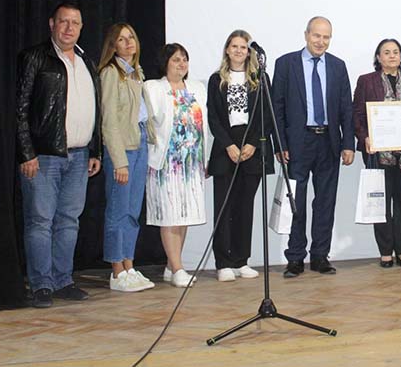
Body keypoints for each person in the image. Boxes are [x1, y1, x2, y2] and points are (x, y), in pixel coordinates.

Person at [16, 2, 102, 308]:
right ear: (52, 24)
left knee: (69, 221)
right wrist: (27, 152)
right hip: (44, 156)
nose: (69, 28)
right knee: (40, 221)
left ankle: (63, 280)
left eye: (75, 23)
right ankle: (41, 284)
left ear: (81, 28)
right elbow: (20, 108)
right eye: (63, 21)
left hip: (79, 156)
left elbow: (96, 109)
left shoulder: (86, 61)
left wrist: (95, 149)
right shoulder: (35, 57)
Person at [272, 16, 355, 278]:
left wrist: (348, 143)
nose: (321, 41)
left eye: (326, 37)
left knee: (325, 202)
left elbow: (346, 108)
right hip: (298, 142)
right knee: (296, 201)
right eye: (317, 35)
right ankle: (295, 257)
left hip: (329, 141)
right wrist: (280, 144)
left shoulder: (338, 66)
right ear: (306, 35)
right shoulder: (286, 64)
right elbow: (277, 108)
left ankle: (320, 256)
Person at [207, 30, 274, 282]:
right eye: (234, 46)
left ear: (249, 51)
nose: (238, 51)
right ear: (227, 49)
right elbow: (213, 117)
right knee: (224, 207)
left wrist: (254, 143)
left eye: (243, 47)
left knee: (245, 206)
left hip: (252, 147)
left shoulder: (260, 78)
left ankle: (241, 260)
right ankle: (223, 262)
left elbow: (267, 114)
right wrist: (228, 145)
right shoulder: (216, 80)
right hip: (226, 147)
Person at [353, 39, 401, 268]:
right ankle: (385, 252)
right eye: (386, 52)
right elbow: (357, 114)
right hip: (378, 154)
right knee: (381, 204)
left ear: (400, 56)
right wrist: (365, 137)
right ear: (378, 57)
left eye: (396, 52)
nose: (392, 56)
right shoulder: (366, 81)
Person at [144, 43, 209, 288]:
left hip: (192, 163)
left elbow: (204, 126)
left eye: (184, 59)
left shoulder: (197, 88)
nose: (181, 64)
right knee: (170, 215)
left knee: (184, 214)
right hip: (167, 163)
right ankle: (179, 268)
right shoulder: (153, 88)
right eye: (176, 60)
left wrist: (205, 158)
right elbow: (150, 123)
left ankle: (173, 266)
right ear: (165, 63)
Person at [98, 23, 157, 292]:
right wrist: (119, 159)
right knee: (118, 210)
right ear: (113, 46)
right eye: (121, 39)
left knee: (132, 211)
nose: (128, 42)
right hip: (123, 148)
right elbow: (109, 120)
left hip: (140, 143)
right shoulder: (111, 73)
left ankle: (130, 265)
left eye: (131, 37)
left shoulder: (136, 73)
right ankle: (116, 270)